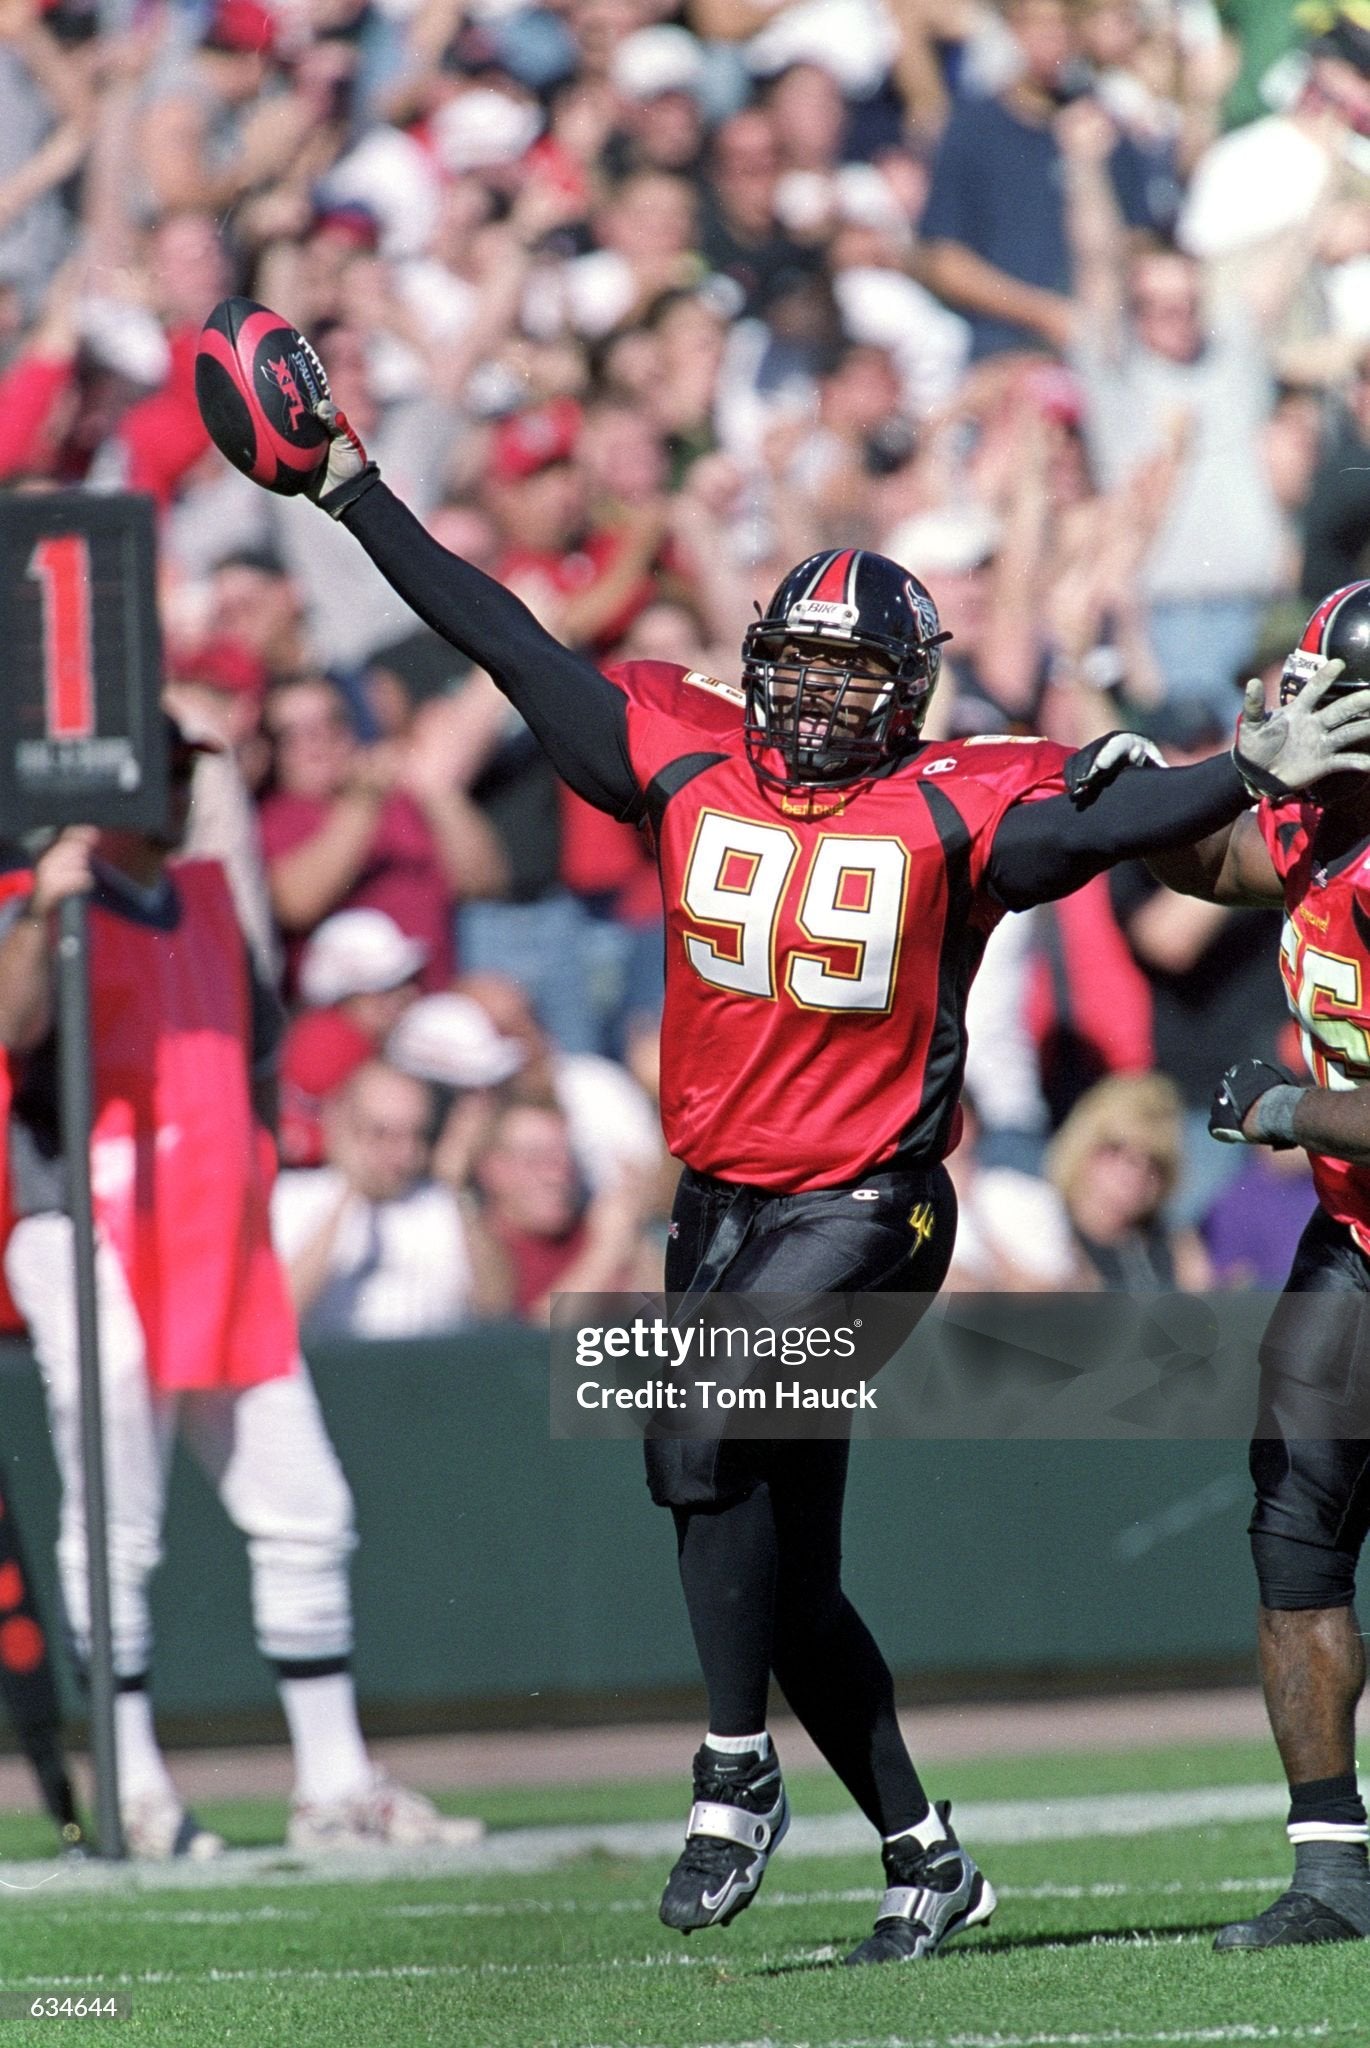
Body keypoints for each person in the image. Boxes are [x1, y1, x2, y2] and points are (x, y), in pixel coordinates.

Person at [207, 352, 1370, 1961]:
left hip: (870, 1207)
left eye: (849, 677)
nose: (818, 701)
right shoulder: (679, 753)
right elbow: (503, 639)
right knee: (769, 1558)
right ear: (755, 671)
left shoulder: (958, 804)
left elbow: (1105, 832)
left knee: (686, 1424)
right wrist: (354, 494)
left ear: (906, 694)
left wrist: (1235, 774)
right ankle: (919, 1851)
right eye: (797, 669)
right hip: (719, 1202)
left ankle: (731, 1772)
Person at [0, 723, 482, 1858]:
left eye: (183, 769)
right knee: (117, 1508)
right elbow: (13, 1030)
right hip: (88, 1222)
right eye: (160, 771)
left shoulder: (208, 896)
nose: (177, 788)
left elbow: (257, 1054)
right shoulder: (50, 894)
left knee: (304, 1501)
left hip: (214, 1228)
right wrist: (40, 912)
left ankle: (334, 1778)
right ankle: (134, 1785)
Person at [1147, 580, 1370, 1948]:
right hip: (1353, 1240)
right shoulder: (1308, 818)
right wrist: (1164, 785)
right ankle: (1331, 1874)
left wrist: (1289, 1110)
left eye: (1315, 692)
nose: (1290, 707)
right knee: (1293, 1542)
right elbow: (1205, 865)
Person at [272, 1060, 511, 1338]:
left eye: (415, 1135)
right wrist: (348, 1195)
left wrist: (459, 1190)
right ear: (341, 1123)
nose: (404, 1153)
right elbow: (280, 1312)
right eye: (381, 1133)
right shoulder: (292, 1198)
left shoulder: (443, 1203)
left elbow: (496, 1304)